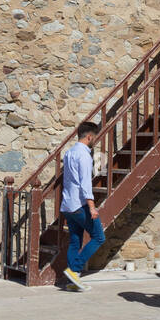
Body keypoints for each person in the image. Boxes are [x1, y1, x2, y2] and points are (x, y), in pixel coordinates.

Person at [59, 121, 105, 291]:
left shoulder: (69, 153)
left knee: (75, 241)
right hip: (80, 205)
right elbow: (85, 183)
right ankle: (74, 269)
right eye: (96, 138)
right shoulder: (84, 155)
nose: (96, 141)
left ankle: (73, 281)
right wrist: (92, 207)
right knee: (99, 237)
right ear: (89, 137)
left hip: (67, 204)